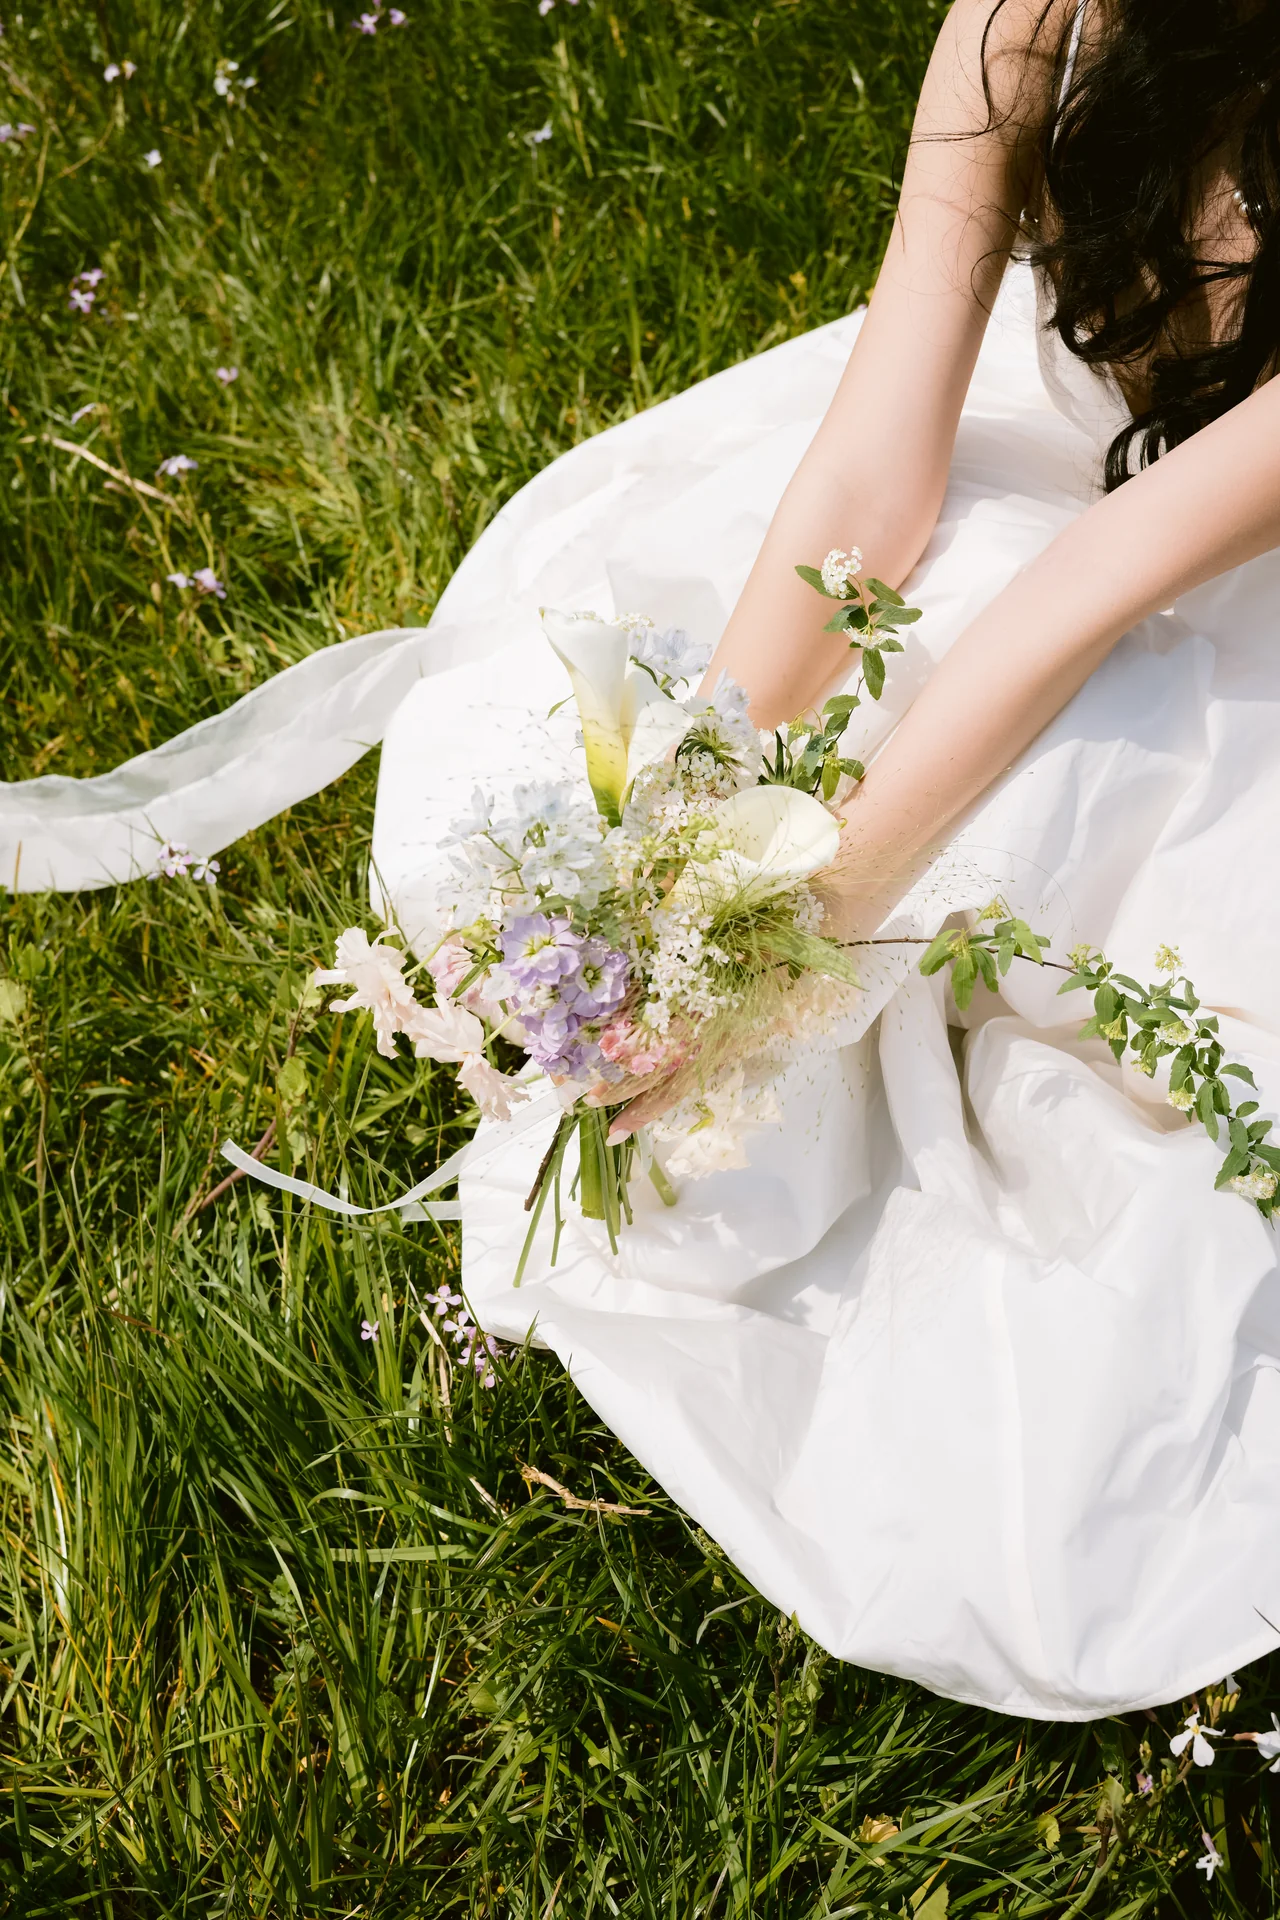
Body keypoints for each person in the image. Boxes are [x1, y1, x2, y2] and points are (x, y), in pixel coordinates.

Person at [8, 0, 1280, 1718]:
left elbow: (1091, 594)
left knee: (1066, 799)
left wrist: (780, 937)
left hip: (1205, 569)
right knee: (624, 711)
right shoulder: (1032, 19)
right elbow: (874, 463)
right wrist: (678, 808)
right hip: (1086, 467)